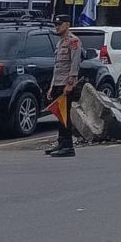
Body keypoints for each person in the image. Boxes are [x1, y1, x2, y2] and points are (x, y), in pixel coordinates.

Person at [46, 15, 83, 158]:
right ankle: (61, 142)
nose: (57, 27)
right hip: (58, 83)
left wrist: (70, 83)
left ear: (67, 24)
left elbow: (74, 64)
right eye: (55, 24)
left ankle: (68, 146)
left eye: (59, 24)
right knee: (60, 116)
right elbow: (57, 67)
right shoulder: (60, 42)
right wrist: (51, 87)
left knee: (65, 116)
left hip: (66, 85)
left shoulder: (73, 41)